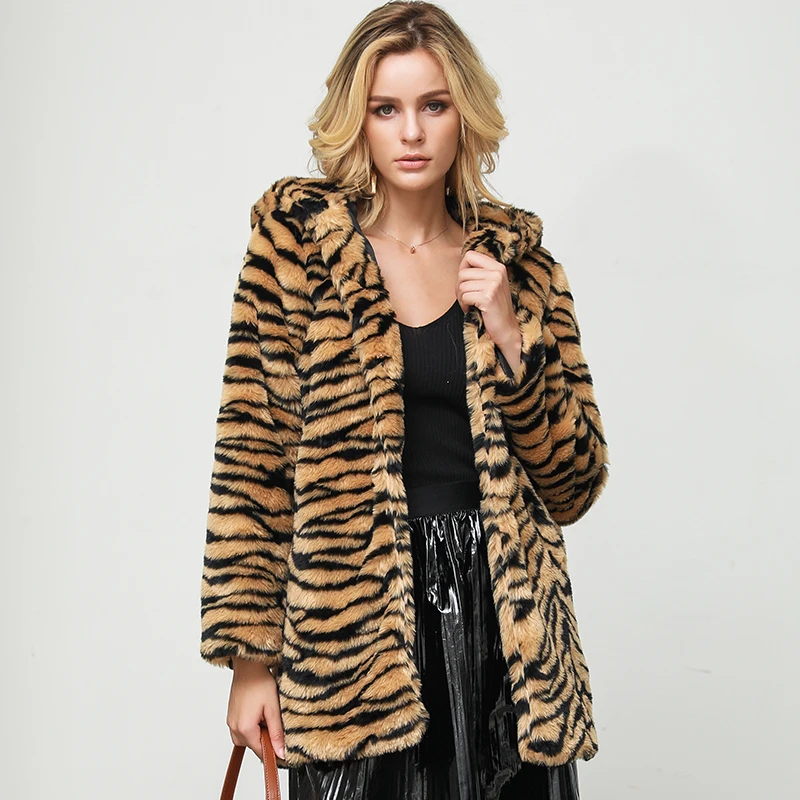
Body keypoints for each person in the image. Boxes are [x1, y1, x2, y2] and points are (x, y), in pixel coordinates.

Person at [199, 2, 610, 798]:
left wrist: (512, 338)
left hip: (505, 633)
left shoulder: (521, 268)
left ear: (466, 115)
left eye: (434, 105)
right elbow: (252, 464)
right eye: (386, 109)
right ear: (357, 120)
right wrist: (250, 664)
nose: (411, 132)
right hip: (355, 632)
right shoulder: (299, 253)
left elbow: (574, 486)